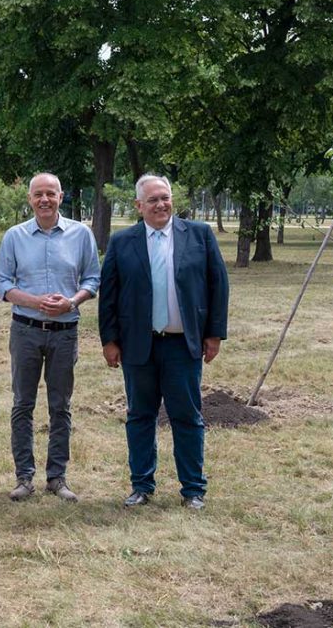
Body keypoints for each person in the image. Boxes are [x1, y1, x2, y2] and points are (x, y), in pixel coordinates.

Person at [98, 174, 229, 510]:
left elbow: (218, 285)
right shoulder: (122, 241)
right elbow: (108, 296)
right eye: (152, 200)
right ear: (139, 206)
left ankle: (193, 490)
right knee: (140, 416)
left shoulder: (198, 235)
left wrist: (213, 334)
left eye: (165, 197)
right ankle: (141, 486)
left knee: (187, 416)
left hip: (181, 345)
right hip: (137, 346)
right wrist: (109, 340)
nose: (160, 204)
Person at [0, 173, 100, 503]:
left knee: (60, 406)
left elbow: (93, 279)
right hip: (25, 330)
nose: (44, 199)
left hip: (64, 333)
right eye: (38, 194)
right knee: (22, 404)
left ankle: (57, 477)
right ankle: (24, 477)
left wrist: (72, 301)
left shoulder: (81, 235)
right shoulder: (15, 237)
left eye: (50, 194)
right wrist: (34, 301)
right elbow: (2, 284)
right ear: (29, 199)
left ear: (61, 196)